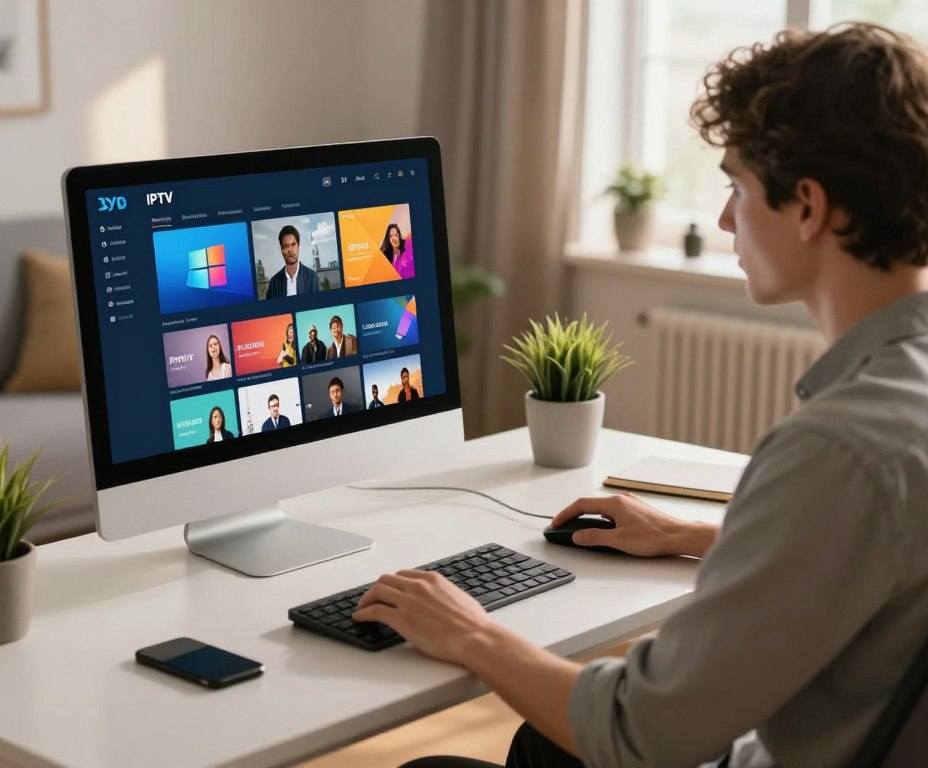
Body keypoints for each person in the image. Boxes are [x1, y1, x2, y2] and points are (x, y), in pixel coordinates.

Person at [355, 24, 928, 768]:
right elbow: (885, 561)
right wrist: (694, 536)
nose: (725, 219)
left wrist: (471, 633)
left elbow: (641, 734)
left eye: (738, 187)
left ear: (810, 207)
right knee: (543, 742)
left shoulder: (838, 448)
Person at [264, 224, 320, 299]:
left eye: (293, 244)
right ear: (281, 250)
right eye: (286, 246)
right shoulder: (274, 283)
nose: (290, 250)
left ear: (298, 246)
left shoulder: (312, 277)